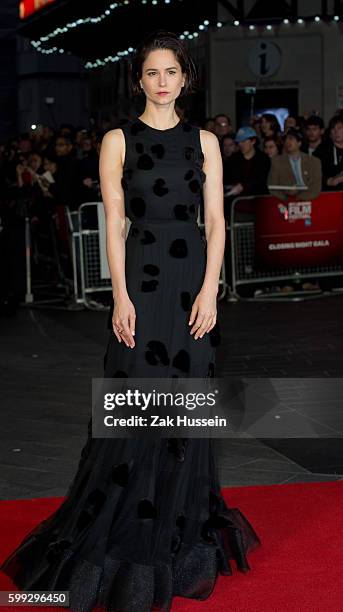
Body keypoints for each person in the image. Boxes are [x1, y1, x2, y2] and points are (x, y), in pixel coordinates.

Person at [0, 29, 261, 611]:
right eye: (152, 73)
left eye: (172, 72)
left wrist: (211, 291)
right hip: (141, 281)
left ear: (185, 78)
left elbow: (216, 222)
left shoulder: (206, 142)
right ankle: (124, 525)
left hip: (192, 282)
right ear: (138, 80)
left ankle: (177, 527)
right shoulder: (118, 139)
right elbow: (114, 222)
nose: (162, 81)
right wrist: (118, 296)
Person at [268, 127, 322, 201]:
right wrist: (287, 199)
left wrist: (300, 198)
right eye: (285, 139)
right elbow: (272, 186)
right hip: (285, 201)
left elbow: (316, 187)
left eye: (291, 138)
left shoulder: (314, 161)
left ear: (299, 143)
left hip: (311, 202)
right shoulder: (276, 161)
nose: (287, 141)